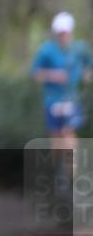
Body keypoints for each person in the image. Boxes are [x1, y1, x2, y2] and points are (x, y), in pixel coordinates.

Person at [31, 12, 91, 189]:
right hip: (52, 101)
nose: (63, 36)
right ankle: (59, 171)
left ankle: (72, 175)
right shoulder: (46, 50)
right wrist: (53, 75)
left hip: (72, 99)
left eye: (66, 32)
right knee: (57, 137)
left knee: (68, 132)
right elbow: (36, 73)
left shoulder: (80, 48)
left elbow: (89, 67)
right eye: (60, 33)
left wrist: (87, 75)